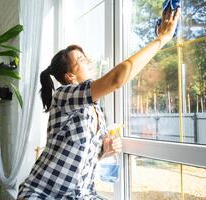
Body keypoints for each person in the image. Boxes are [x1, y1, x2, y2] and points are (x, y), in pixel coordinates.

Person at [18, 7, 180, 200]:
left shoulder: (96, 110)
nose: (89, 61)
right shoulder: (63, 96)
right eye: (81, 59)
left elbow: (83, 157)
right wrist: (161, 39)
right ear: (70, 76)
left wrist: (105, 150)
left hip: (82, 195)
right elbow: (115, 80)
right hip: (43, 194)